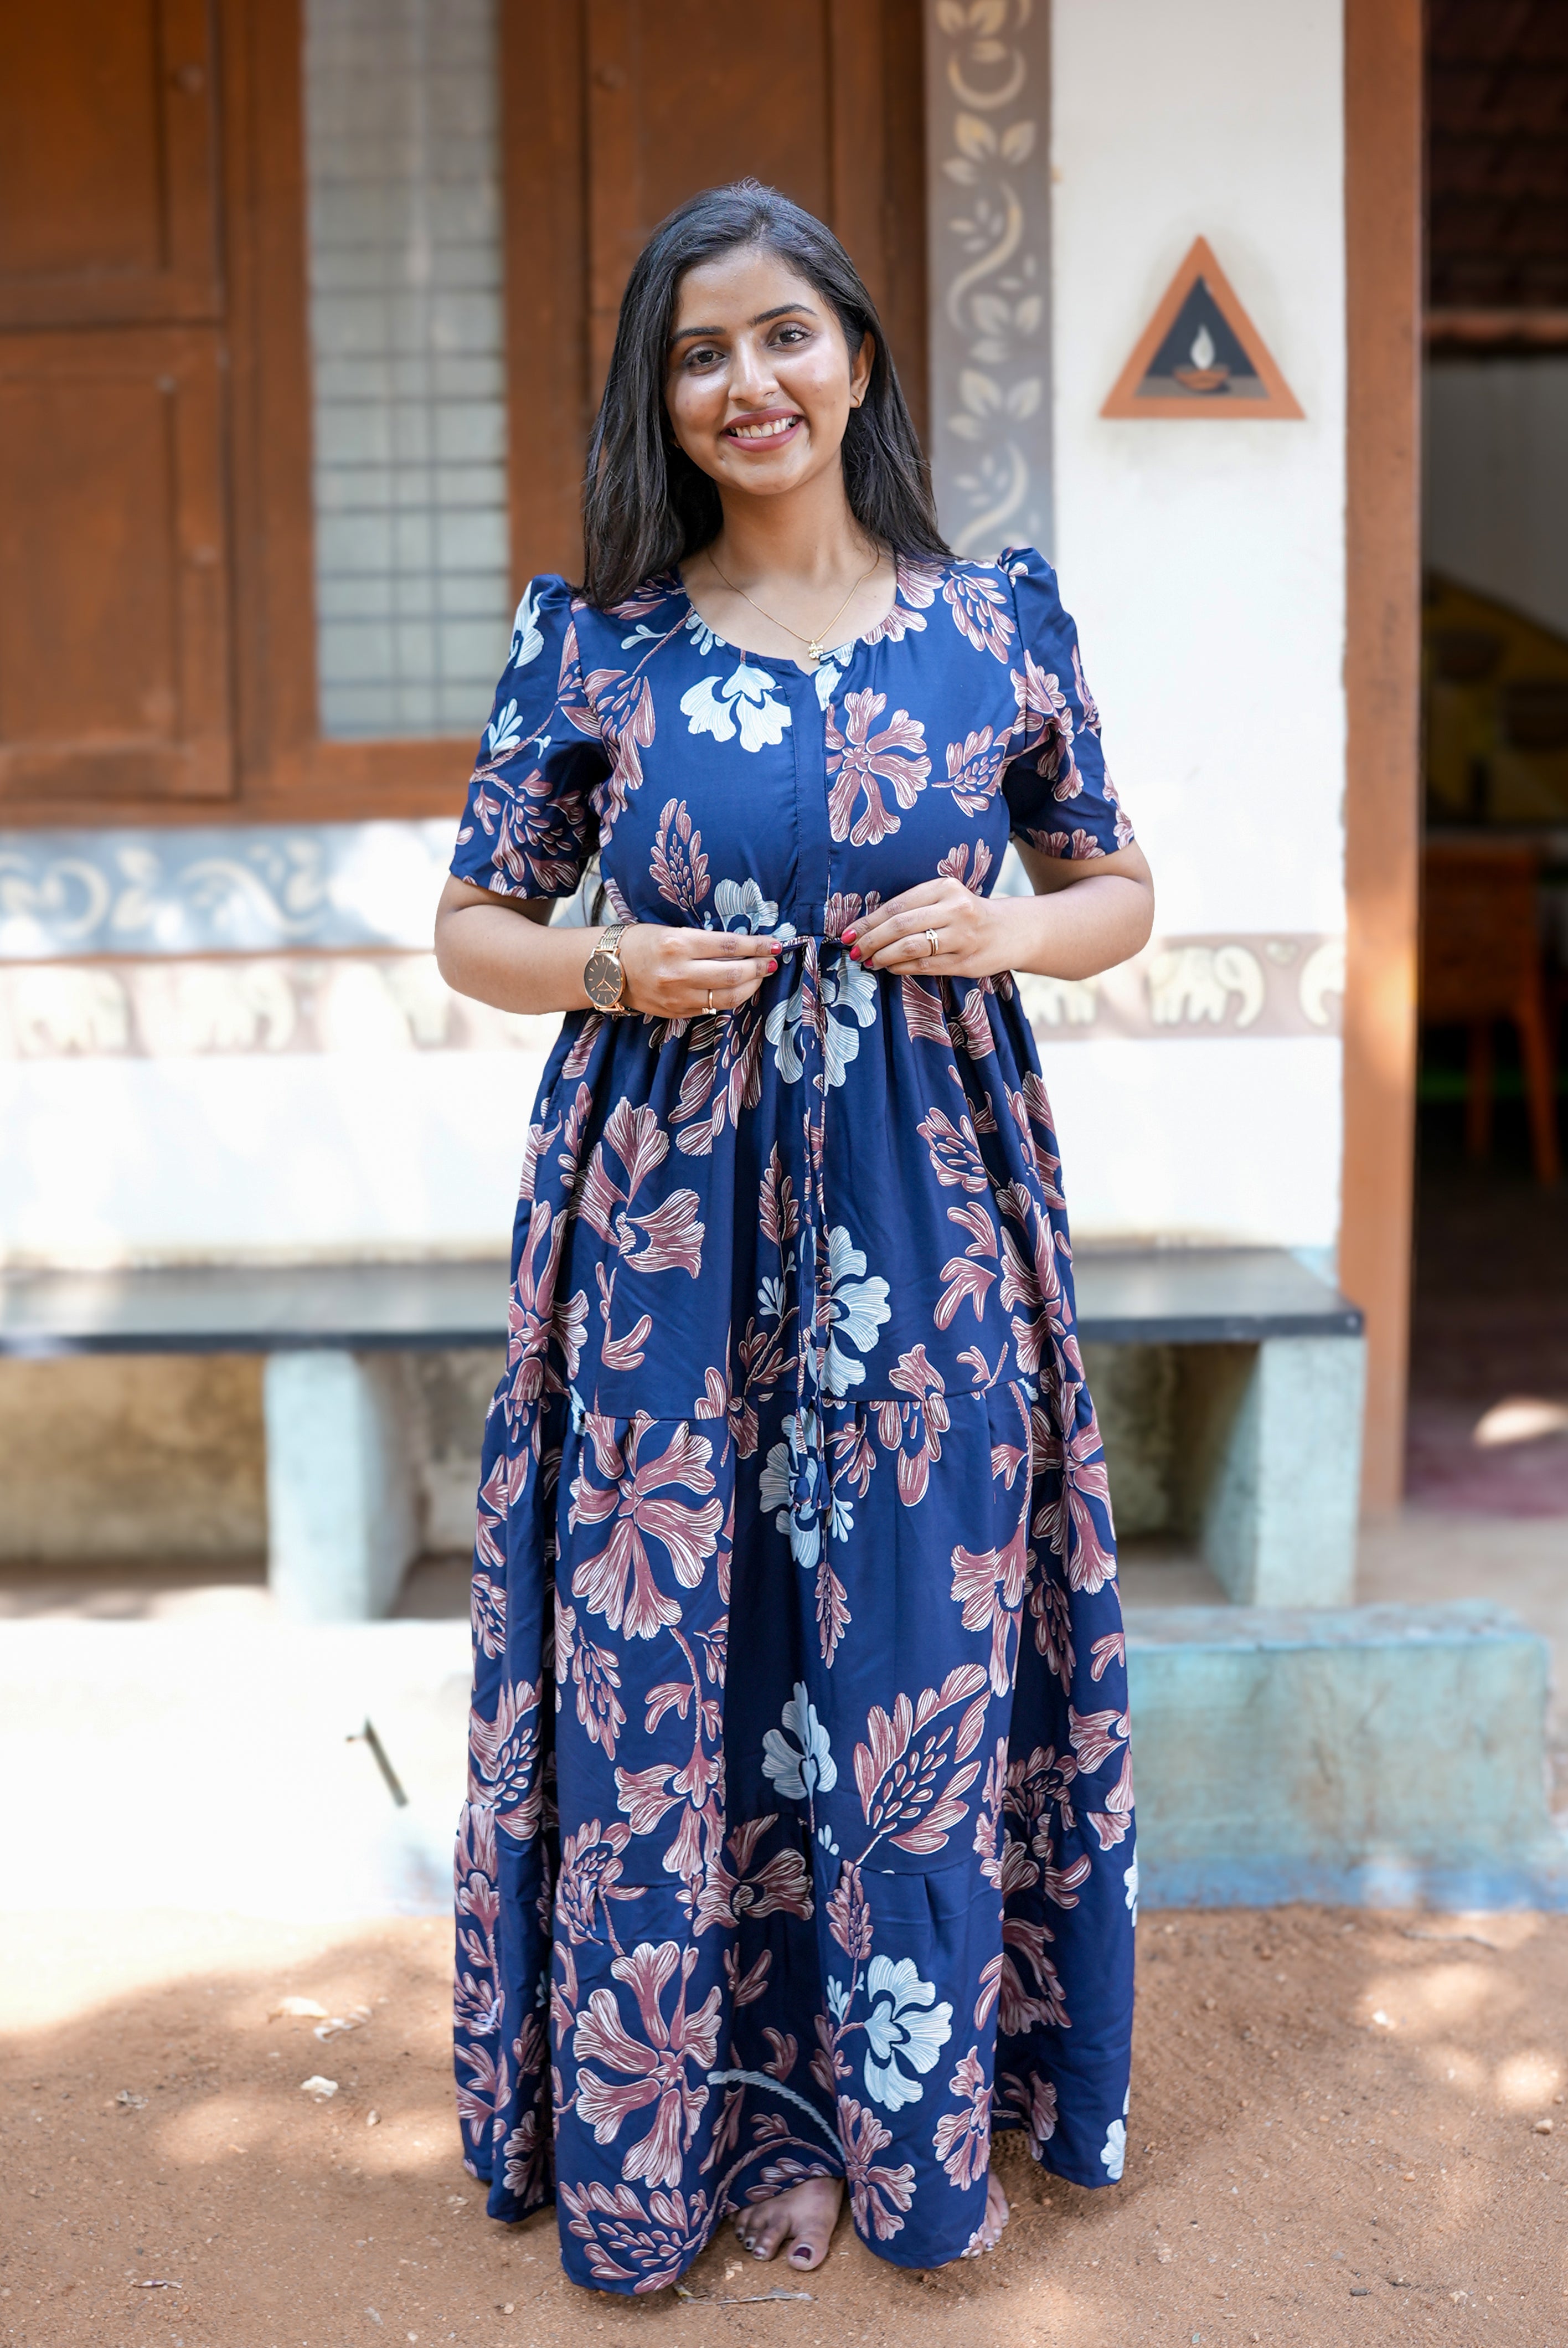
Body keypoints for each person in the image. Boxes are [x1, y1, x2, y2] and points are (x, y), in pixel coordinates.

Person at [434, 178, 1153, 2296]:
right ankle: (699, 2116)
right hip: (665, 1234)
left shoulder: (998, 621)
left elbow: (1115, 886)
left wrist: (1013, 932)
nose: (746, 382)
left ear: (855, 357)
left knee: (917, 1651)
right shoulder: (596, 644)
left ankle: (899, 2115)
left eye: (782, 335)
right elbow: (471, 926)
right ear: (658, 396)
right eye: (698, 352)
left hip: (930, 1230)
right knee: (682, 1652)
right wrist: (610, 965)